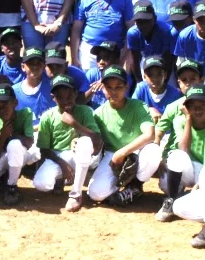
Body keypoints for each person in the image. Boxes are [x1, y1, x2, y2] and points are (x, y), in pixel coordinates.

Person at [87, 65, 161, 206]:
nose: (113, 92)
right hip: (112, 155)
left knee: (153, 151)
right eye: (109, 87)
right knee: (95, 193)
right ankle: (120, 185)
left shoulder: (139, 106)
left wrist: (122, 153)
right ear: (102, 88)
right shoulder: (98, 114)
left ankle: (135, 186)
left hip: (137, 151)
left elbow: (150, 135)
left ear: (126, 87)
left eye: (118, 87)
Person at [33, 75, 102, 212]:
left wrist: (74, 123)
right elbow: (44, 149)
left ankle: (76, 194)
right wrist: (62, 164)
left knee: (84, 141)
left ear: (76, 94)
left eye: (69, 95)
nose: (65, 100)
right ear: (53, 98)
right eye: (60, 97)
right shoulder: (48, 117)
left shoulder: (85, 111)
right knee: (41, 184)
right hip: (60, 156)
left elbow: (97, 139)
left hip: (84, 155)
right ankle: (64, 178)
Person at [155, 84, 205, 226]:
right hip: (192, 169)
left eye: (202, 104)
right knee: (177, 156)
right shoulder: (183, 121)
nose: (198, 109)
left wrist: (199, 186)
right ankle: (170, 201)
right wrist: (188, 119)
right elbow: (183, 151)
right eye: (193, 105)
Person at [71, 0, 133, 70]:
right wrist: (74, 57)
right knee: (88, 82)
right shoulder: (85, 0)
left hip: (114, 51)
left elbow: (131, 29)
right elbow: (76, 29)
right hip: (89, 50)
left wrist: (123, 57)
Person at [155, 59, 203, 163]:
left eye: (193, 79)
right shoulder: (174, 106)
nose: (188, 83)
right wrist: (157, 158)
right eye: (184, 80)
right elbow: (158, 133)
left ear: (201, 80)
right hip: (175, 156)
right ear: (179, 83)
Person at [127, 0, 174, 82]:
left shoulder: (166, 32)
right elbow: (135, 60)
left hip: (164, 60)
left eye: (146, 21)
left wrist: (165, 83)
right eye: (139, 22)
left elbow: (168, 60)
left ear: (155, 19)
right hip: (145, 59)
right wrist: (139, 82)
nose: (143, 25)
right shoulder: (133, 33)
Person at [131, 56, 181, 124]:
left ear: (165, 75)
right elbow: (131, 109)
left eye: (159, 74)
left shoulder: (175, 94)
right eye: (150, 75)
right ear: (144, 76)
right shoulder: (141, 88)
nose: (155, 79)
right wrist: (149, 110)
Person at [12, 47, 54, 126]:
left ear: (44, 66)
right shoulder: (14, 91)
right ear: (23, 67)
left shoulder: (53, 88)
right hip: (23, 135)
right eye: (30, 63)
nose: (34, 66)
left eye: (38, 63)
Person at [85, 41, 133, 110]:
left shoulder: (125, 77)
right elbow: (80, 101)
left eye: (106, 58)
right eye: (99, 58)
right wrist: (93, 89)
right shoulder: (92, 73)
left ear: (117, 60)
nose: (101, 62)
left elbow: (122, 104)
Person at [174, 0, 205, 64]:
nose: (204, 24)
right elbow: (180, 62)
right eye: (200, 20)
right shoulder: (185, 35)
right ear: (194, 19)